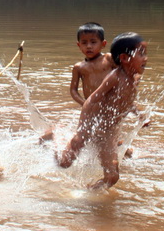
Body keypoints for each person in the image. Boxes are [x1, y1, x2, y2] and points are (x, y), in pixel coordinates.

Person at [57, 32, 148, 190]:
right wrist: (82, 130)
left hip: (109, 132)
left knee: (112, 177)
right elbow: (91, 99)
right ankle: (54, 139)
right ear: (125, 59)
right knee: (64, 163)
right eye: (141, 54)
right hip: (95, 124)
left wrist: (139, 114)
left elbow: (126, 101)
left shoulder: (133, 79)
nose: (145, 58)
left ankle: (87, 194)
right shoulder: (115, 77)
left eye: (145, 53)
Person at [69, 22, 116, 106]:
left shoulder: (108, 58)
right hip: (92, 106)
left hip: (113, 103)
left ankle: (143, 116)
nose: (89, 46)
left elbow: (125, 73)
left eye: (93, 42)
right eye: (84, 43)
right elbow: (73, 90)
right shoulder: (78, 67)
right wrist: (84, 103)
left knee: (133, 108)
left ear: (103, 44)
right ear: (79, 45)